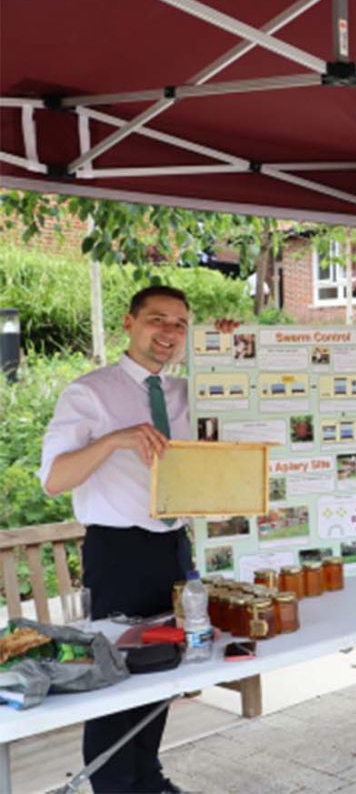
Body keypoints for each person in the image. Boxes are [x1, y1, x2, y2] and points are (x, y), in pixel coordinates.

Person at [39, 285, 206, 793]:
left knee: (164, 667)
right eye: (158, 319)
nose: (169, 333)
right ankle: (113, 786)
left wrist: (234, 341)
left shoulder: (186, 391)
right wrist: (114, 440)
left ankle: (148, 776)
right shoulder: (89, 392)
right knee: (116, 675)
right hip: (117, 552)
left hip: (173, 546)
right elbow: (54, 479)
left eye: (179, 323)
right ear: (129, 323)